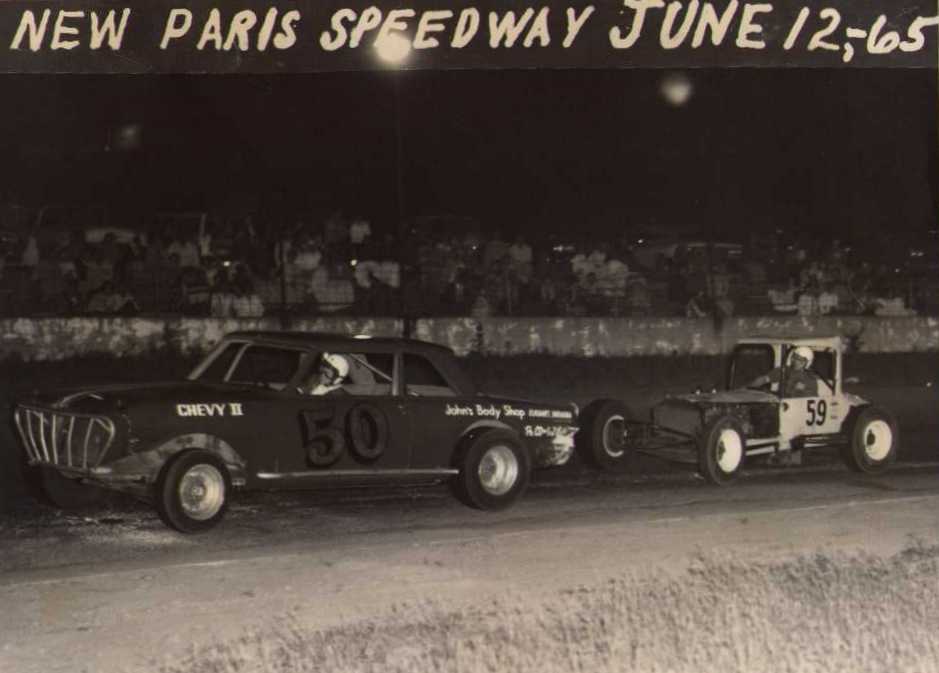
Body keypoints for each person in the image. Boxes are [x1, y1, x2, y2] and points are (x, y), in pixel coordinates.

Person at [748, 346, 819, 397]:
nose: (796, 361)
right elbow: (765, 379)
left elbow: (813, 399)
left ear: (807, 363)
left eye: (800, 360)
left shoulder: (810, 379)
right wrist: (749, 388)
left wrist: (803, 391)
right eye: (795, 357)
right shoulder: (784, 370)